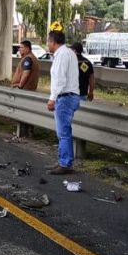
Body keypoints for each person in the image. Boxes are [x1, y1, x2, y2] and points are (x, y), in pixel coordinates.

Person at [46, 30, 80, 175]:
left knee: (63, 132)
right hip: (70, 96)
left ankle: (65, 163)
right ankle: (63, 160)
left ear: (53, 42)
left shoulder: (62, 55)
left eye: (48, 42)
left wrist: (52, 98)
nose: (47, 44)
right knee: (63, 132)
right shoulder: (69, 53)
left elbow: (60, 79)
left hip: (64, 97)